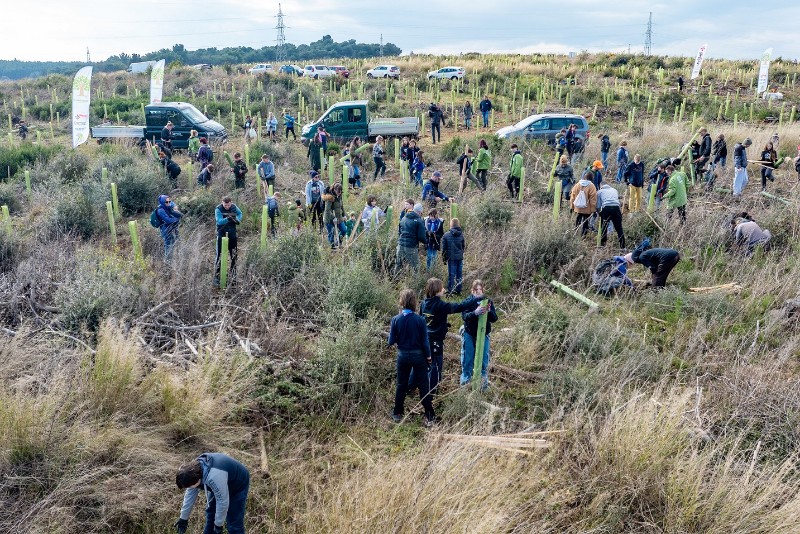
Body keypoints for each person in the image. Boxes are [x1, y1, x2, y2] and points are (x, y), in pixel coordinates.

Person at [416, 278, 482, 397]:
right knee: (436, 367)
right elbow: (459, 307)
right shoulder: (440, 305)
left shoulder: (424, 302)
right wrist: (474, 298)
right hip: (435, 342)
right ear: (437, 290)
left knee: (425, 365)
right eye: (442, 288)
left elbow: (423, 319)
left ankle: (412, 387)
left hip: (425, 340)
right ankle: (431, 394)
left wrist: (442, 325)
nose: (444, 289)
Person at [388, 289, 436, 426]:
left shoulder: (395, 319)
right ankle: (429, 414)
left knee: (401, 385)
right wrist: (428, 357)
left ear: (401, 302)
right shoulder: (420, 320)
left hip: (402, 356)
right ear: (414, 302)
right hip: (418, 356)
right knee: (423, 386)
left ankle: (397, 413)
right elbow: (425, 342)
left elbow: (390, 341)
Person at [174, 453, 250, 534]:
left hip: (238, 483)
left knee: (234, 522)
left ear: (198, 480)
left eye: (191, 486)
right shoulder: (192, 472)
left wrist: (218, 526)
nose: (191, 488)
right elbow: (190, 495)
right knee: (211, 514)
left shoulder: (214, 477)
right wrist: (183, 518)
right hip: (221, 480)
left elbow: (222, 501)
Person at [459, 279, 497, 389]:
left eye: (480, 289)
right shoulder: (468, 301)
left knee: (484, 360)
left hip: (484, 333)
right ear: (472, 290)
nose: (479, 291)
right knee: (468, 359)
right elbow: (464, 316)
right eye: (476, 290)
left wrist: (489, 311)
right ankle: (465, 383)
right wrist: (475, 313)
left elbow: (494, 318)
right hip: (470, 333)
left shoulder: (487, 301)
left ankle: (483, 385)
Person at [214, 196, 242, 288]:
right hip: (221, 234)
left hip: (232, 234)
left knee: (234, 255)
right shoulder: (218, 209)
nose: (227, 207)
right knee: (219, 256)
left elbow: (240, 213)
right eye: (225, 205)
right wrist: (227, 219)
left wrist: (237, 219)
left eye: (228, 205)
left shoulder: (234, 207)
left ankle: (233, 276)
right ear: (222, 203)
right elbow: (219, 221)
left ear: (231, 203)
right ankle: (217, 278)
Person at [396, 203, 427, 273]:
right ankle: (416, 283)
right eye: (421, 213)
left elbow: (399, 231)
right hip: (411, 247)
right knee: (415, 267)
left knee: (398, 265)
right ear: (419, 212)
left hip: (400, 245)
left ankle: (394, 282)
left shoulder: (404, 218)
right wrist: (426, 242)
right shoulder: (419, 221)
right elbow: (421, 236)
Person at [596, 177, 625, 248]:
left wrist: (599, 213)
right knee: (619, 228)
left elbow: (598, 206)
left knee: (604, 227)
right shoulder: (614, 190)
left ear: (601, 186)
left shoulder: (599, 192)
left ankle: (603, 245)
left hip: (606, 208)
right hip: (616, 208)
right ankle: (623, 246)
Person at [441, 218, 465, 295]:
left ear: (451, 225)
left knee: (451, 274)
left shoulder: (446, 235)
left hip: (451, 258)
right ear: (458, 225)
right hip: (459, 258)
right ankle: (459, 291)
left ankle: (450, 290)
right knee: (459, 274)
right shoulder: (461, 234)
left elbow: (444, 249)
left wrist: (444, 259)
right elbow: (463, 246)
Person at [155, 194, 182, 262]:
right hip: (165, 229)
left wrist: (175, 206)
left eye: (169, 201)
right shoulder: (160, 210)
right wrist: (177, 219)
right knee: (168, 244)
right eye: (166, 202)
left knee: (174, 241)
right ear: (162, 202)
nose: (169, 203)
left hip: (170, 227)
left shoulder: (167, 204)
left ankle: (174, 258)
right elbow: (168, 220)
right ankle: (168, 261)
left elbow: (172, 203)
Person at [569, 172, 597, 236]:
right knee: (585, 221)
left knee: (578, 219)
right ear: (592, 178)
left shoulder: (577, 185)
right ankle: (583, 235)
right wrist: (593, 210)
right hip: (587, 208)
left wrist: (572, 207)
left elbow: (572, 197)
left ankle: (576, 232)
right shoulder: (592, 186)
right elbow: (593, 199)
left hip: (578, 207)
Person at [322, 183, 346, 249]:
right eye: (338, 192)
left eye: (340, 192)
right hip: (329, 218)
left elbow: (342, 206)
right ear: (334, 190)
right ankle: (332, 247)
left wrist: (344, 215)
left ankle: (338, 241)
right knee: (331, 233)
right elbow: (327, 210)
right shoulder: (329, 197)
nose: (339, 193)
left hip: (339, 217)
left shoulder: (340, 195)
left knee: (344, 230)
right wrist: (333, 217)